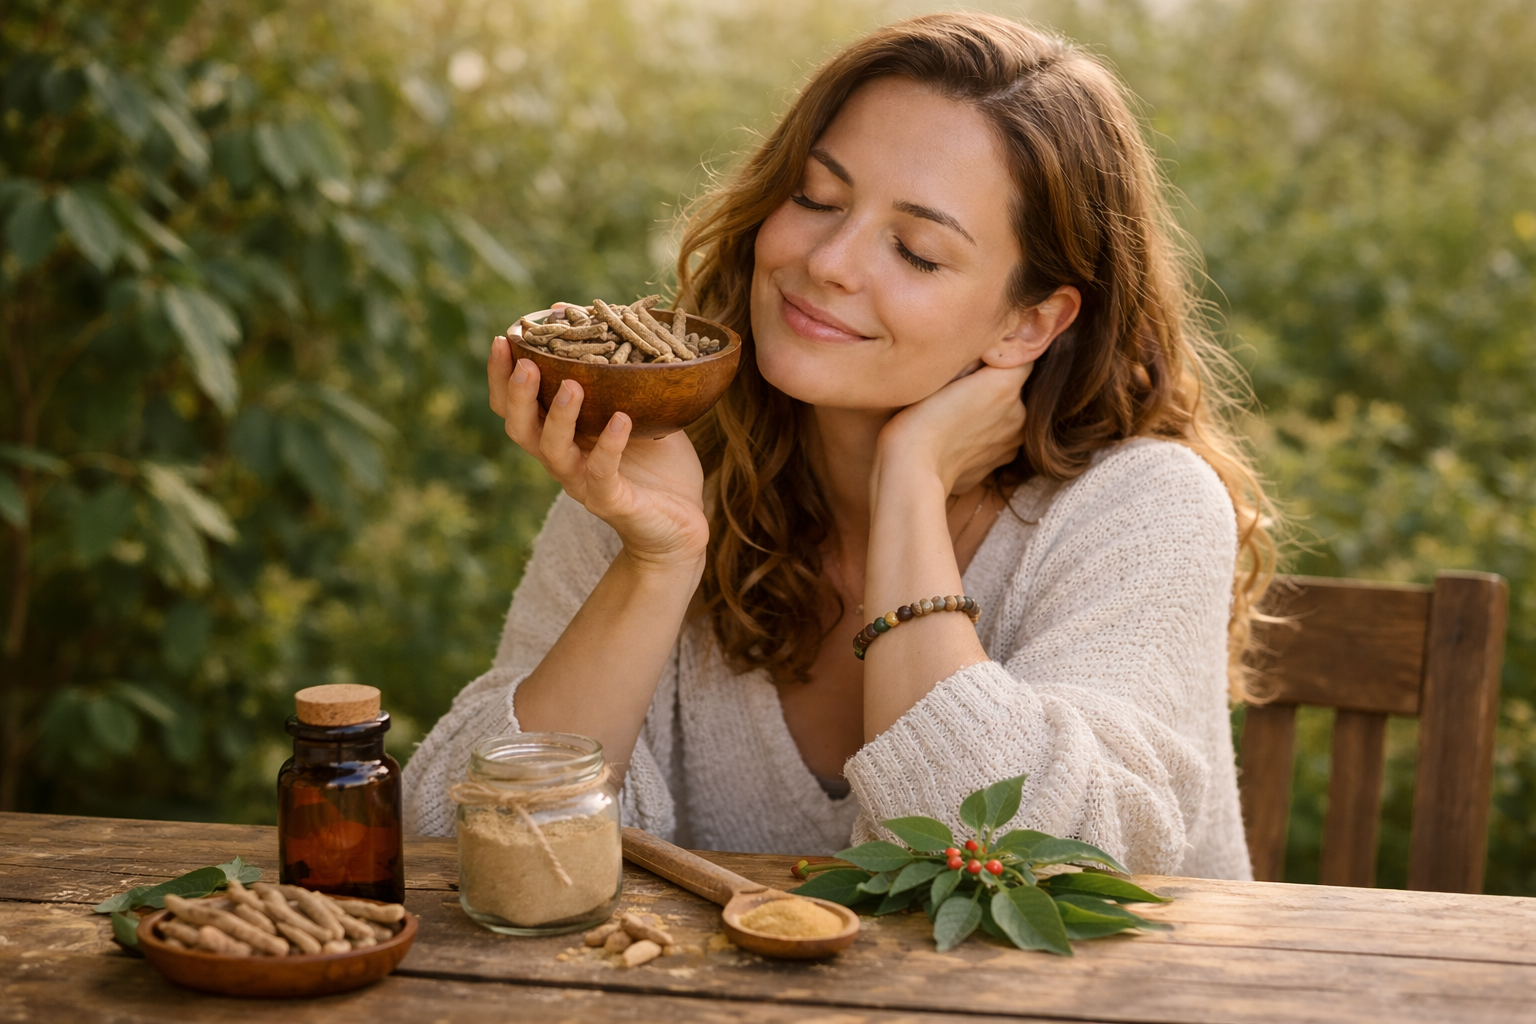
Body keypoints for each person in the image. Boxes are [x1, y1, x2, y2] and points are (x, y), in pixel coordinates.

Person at [404, 11, 1274, 879]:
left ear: (1029, 321)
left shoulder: (1141, 508)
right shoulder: (655, 467)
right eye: (816, 198)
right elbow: (461, 836)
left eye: (918, 251)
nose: (830, 261)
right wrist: (654, 561)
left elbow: (1009, 866)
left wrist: (910, 483)